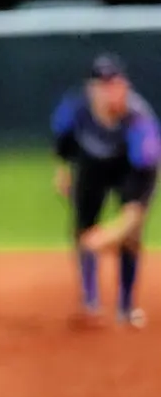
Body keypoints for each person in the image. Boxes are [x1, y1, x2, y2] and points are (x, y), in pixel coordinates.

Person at [52, 53, 160, 327]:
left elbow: (137, 208)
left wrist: (105, 238)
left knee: (130, 236)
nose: (111, 91)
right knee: (83, 225)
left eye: (116, 83)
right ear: (91, 89)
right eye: (103, 84)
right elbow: (63, 144)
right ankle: (91, 304)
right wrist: (63, 170)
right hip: (91, 167)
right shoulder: (76, 111)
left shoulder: (140, 123)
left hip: (129, 169)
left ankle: (126, 307)